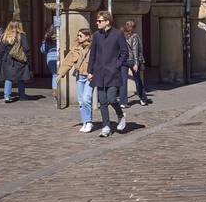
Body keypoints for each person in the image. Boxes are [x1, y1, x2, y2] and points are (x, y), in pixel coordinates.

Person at [87, 9, 129, 137]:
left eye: (99, 21)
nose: (97, 23)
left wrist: (117, 64)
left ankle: (120, 115)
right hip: (99, 72)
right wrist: (90, 71)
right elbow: (93, 54)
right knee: (103, 101)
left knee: (111, 99)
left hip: (113, 73)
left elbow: (124, 52)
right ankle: (106, 126)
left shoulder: (117, 34)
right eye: (97, 21)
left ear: (107, 22)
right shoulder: (96, 35)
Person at [58, 27, 94, 132]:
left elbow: (97, 61)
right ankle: (85, 122)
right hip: (80, 76)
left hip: (89, 76)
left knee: (86, 98)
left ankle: (89, 122)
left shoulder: (93, 48)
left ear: (87, 37)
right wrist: (61, 73)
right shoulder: (76, 48)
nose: (78, 37)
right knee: (81, 101)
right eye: (78, 35)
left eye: (80, 36)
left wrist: (94, 73)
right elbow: (68, 61)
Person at [0, 19, 32, 101]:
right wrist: (28, 58)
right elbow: (26, 48)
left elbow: (1, 50)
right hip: (19, 60)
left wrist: (4, 58)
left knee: (8, 78)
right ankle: (22, 96)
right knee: (21, 78)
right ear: (19, 26)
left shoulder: (5, 36)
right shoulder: (21, 35)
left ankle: (7, 96)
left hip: (8, 60)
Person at [122, 19, 150, 105]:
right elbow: (135, 50)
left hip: (124, 60)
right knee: (138, 80)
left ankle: (123, 102)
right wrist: (136, 63)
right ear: (133, 27)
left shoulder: (122, 36)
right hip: (133, 61)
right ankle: (143, 98)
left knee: (123, 81)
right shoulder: (134, 36)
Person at [41, 24, 59, 89]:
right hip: (59, 57)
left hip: (50, 59)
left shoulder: (47, 39)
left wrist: (43, 42)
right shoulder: (61, 37)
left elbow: (43, 50)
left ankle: (55, 92)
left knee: (54, 75)